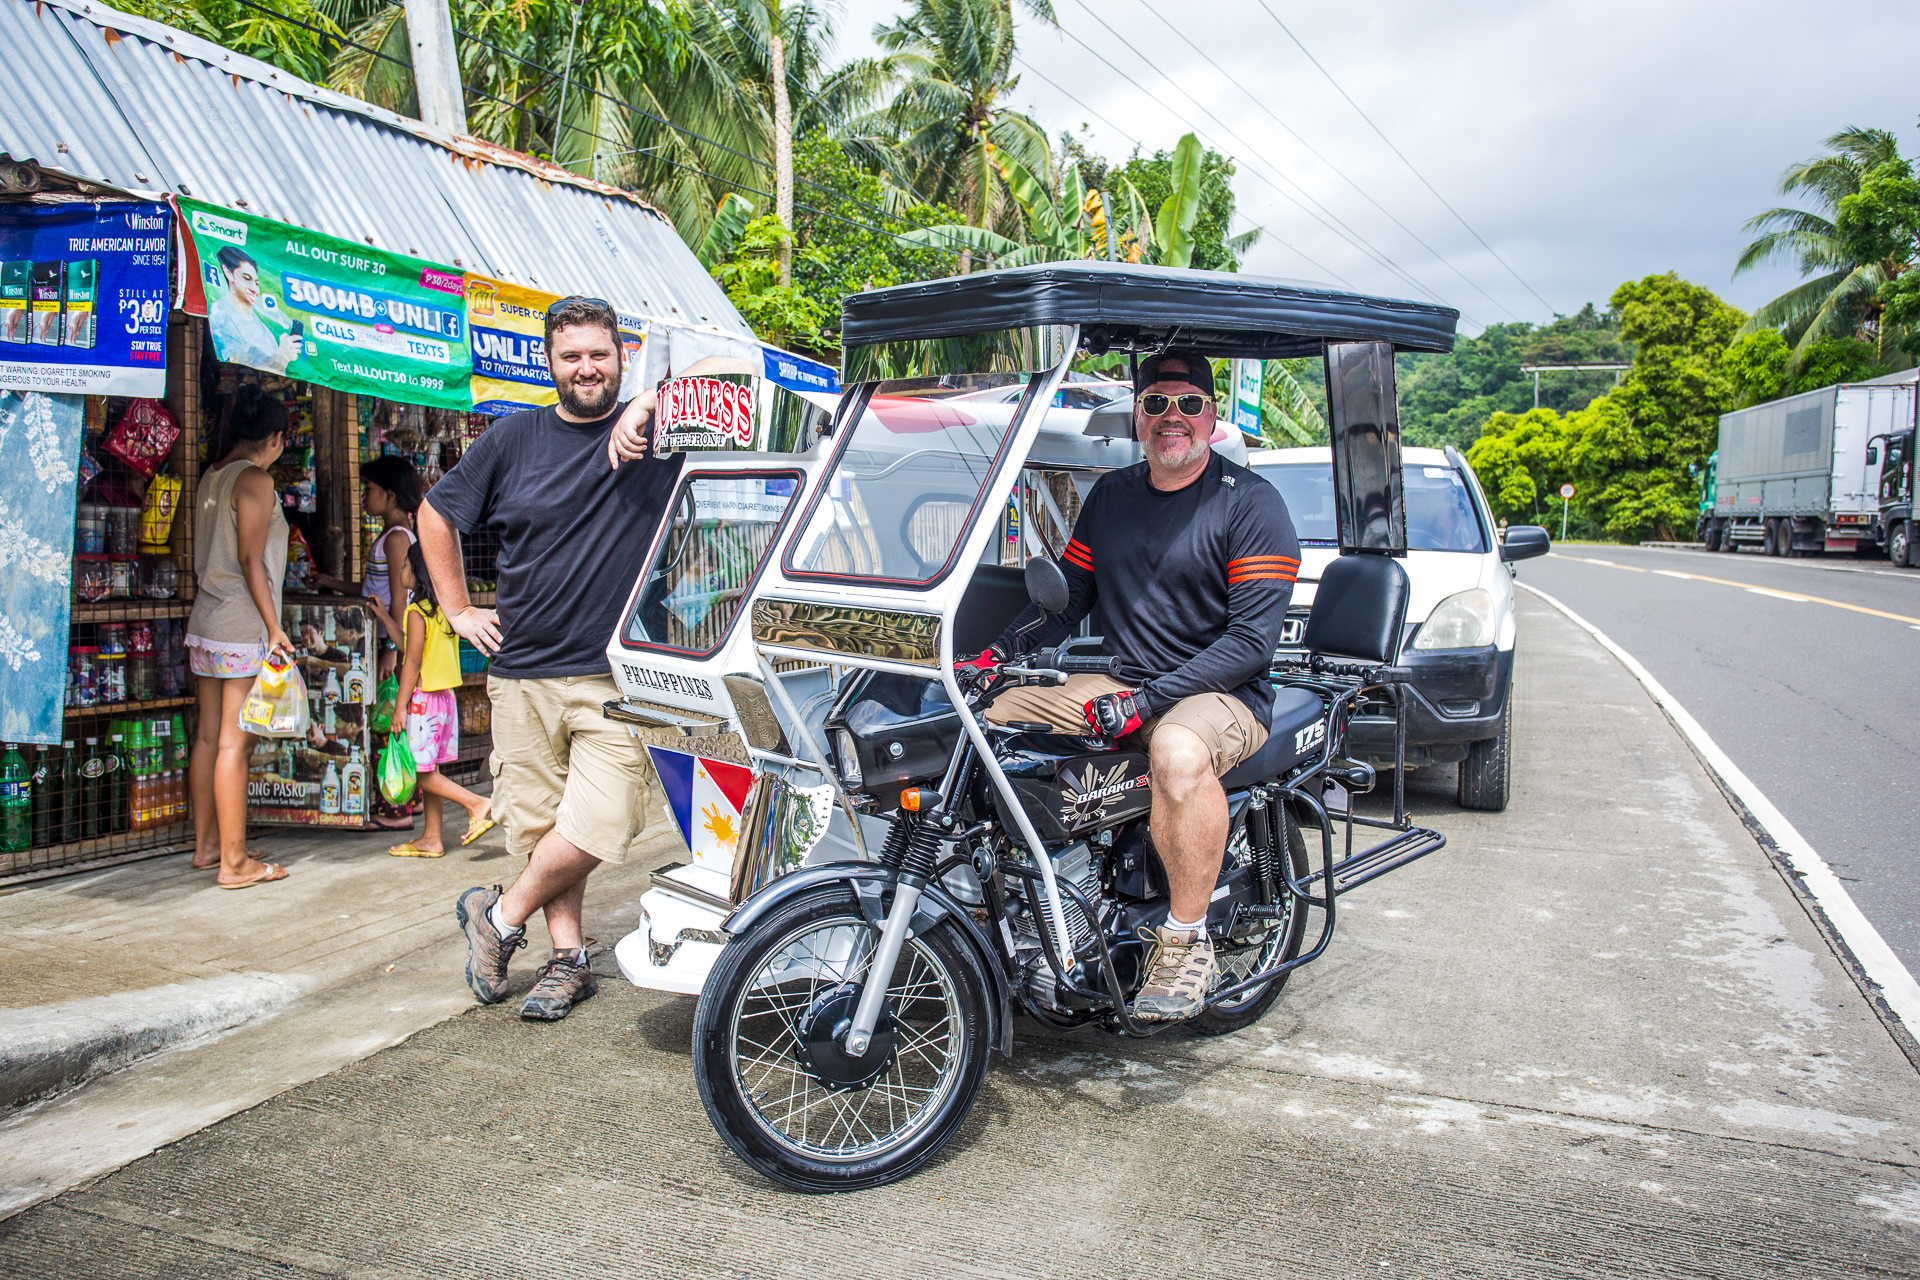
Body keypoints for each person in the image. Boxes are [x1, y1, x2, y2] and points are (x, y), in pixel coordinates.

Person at [961, 351, 1300, 1023]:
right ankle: (1035, 896)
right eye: (1155, 405)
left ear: (1212, 414)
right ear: (1137, 418)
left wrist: (1144, 704)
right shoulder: (1112, 496)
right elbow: (1067, 600)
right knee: (984, 718)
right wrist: (994, 655)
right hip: (1122, 680)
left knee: (1175, 751)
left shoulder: (1252, 504)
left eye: (1188, 404)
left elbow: (1249, 644)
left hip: (1224, 691)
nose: (1172, 418)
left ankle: (1183, 940)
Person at [421, 296, 680, 1021]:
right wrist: (458, 609)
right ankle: (567, 961)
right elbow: (435, 514)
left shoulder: (658, 431)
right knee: (540, 829)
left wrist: (649, 402)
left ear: (620, 356)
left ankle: (497, 919)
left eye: (600, 353)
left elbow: (733, 368)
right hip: (521, 670)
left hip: (617, 674)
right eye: (571, 356)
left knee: (603, 820)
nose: (587, 367)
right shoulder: (513, 439)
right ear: (550, 362)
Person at [185, 385, 295, 888]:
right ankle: (235, 864)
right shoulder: (254, 479)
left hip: (208, 622)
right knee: (236, 745)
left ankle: (210, 846)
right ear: (274, 437)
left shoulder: (212, 476)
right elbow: (253, 560)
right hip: (242, 625)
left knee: (208, 738)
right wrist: (274, 628)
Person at [385, 542, 495, 857]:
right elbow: (412, 647)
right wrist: (381, 614)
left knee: (419, 772)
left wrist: (399, 708)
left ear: (417, 573)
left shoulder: (416, 612)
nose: (401, 570)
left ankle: (476, 803)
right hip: (444, 700)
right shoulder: (443, 611)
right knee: (430, 769)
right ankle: (431, 838)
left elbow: (412, 662)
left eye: (406, 565)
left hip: (422, 702)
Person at [314, 454, 419, 672]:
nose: (363, 495)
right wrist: (328, 582)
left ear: (390, 495)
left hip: (391, 641)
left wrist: (391, 649)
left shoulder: (396, 539)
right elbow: (373, 590)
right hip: (382, 636)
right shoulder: (390, 536)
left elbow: (400, 599)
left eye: (368, 488)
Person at [206, 247, 300, 374]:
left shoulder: (259, 319)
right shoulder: (222, 314)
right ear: (228, 273)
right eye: (246, 278)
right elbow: (244, 369)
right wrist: (282, 357)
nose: (254, 289)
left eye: (256, 283)